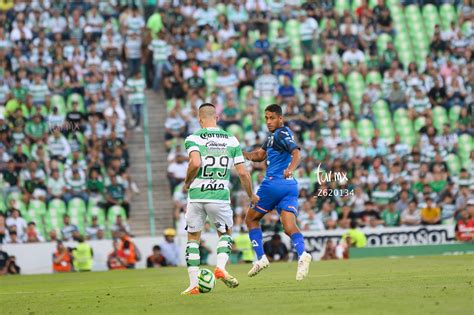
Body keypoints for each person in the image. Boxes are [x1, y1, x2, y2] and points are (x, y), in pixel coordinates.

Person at [180, 103, 259, 295]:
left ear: (200, 119)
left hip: (197, 196)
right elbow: (243, 173)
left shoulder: (193, 138)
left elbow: (195, 162)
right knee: (225, 234)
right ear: (217, 117)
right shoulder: (231, 140)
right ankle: (221, 268)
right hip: (220, 196)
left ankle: (193, 284)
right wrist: (251, 195)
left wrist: (187, 182)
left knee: (193, 238)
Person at [243, 104, 312, 280]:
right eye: (266, 118)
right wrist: (240, 153)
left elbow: (296, 152)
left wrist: (290, 168)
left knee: (251, 219)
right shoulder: (273, 137)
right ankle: (303, 254)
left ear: (280, 118)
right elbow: (259, 156)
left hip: (273, 184)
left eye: (272, 118)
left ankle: (260, 258)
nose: (268, 121)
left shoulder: (282, 134)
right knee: (289, 227)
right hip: (290, 187)